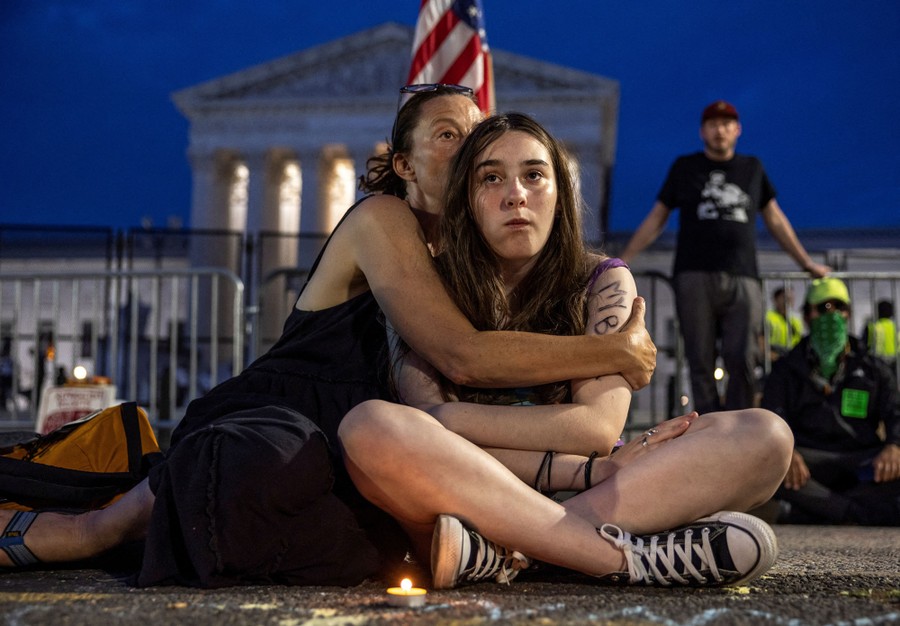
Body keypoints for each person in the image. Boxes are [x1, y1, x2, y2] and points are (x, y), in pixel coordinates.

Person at [0, 86, 658, 585]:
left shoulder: (466, 263)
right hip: (284, 412)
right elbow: (466, 357)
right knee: (266, 474)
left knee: (370, 527)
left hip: (368, 437)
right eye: (447, 136)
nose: (468, 150)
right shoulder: (383, 217)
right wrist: (612, 351)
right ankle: (89, 529)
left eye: (476, 137)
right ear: (402, 163)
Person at [339, 112, 795, 590]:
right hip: (476, 495)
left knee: (765, 435)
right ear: (467, 202)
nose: (515, 194)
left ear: (560, 192)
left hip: (570, 494)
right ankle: (617, 558)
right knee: (370, 427)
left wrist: (451, 420)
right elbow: (425, 435)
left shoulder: (603, 279)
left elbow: (594, 428)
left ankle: (505, 554)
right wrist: (591, 468)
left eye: (534, 175)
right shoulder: (428, 285)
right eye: (491, 178)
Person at [620, 100, 830, 414]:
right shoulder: (685, 168)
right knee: (699, 358)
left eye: (727, 123)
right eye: (713, 124)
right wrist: (623, 259)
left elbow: (775, 219)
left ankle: (739, 427)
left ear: (737, 129)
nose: (720, 130)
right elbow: (657, 218)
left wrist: (806, 263)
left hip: (743, 275)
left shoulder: (752, 169)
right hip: (694, 274)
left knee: (742, 356)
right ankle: (708, 428)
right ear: (703, 130)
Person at [762, 278, 900, 525]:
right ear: (806, 316)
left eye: (839, 307)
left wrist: (894, 446)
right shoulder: (786, 369)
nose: (832, 314)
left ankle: (817, 510)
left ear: (848, 313)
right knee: (765, 463)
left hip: (861, 459)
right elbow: (771, 417)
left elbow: (895, 412)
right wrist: (786, 451)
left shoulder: (872, 368)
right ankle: (858, 513)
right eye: (822, 308)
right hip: (807, 462)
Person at [765, 286, 804, 361]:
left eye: (792, 298)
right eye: (785, 297)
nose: (789, 300)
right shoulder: (768, 318)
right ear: (775, 299)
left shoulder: (796, 320)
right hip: (774, 359)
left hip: (793, 358)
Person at [863, 300, 897, 364]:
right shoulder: (896, 327)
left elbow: (863, 346)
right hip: (895, 364)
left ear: (877, 312)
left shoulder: (872, 327)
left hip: (876, 364)